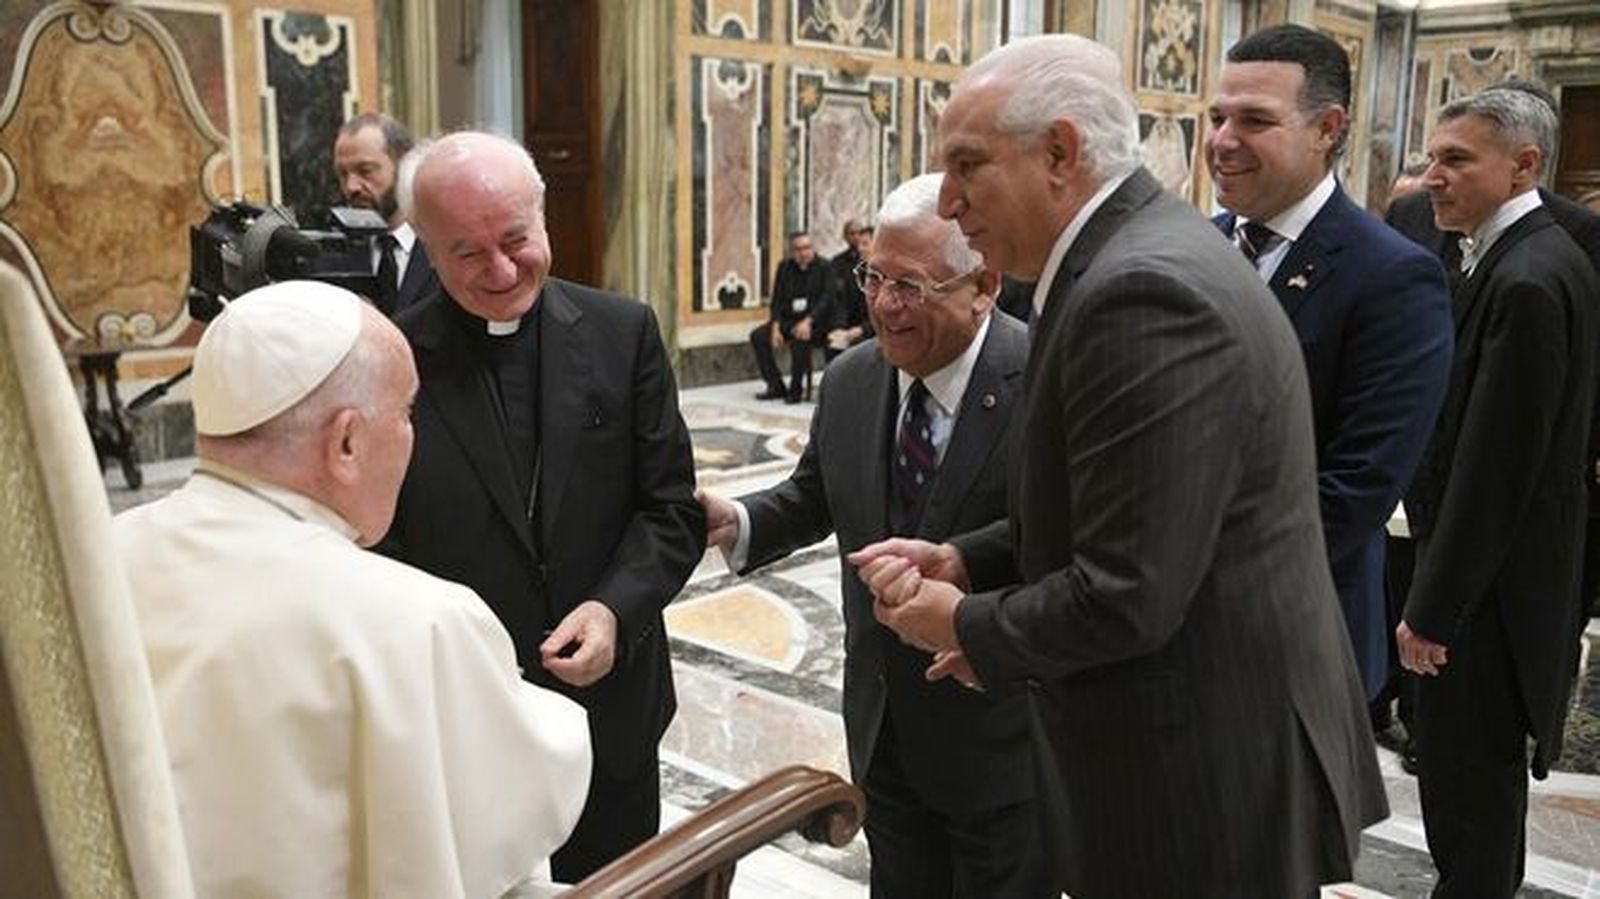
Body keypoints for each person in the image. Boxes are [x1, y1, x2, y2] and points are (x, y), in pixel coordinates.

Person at [851, 33, 1387, 896]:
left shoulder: (1143, 291)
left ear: (1059, 152)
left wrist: (962, 623)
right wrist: (971, 559)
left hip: (1201, 773)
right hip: (1194, 747)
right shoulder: (1127, 255)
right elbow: (1128, 503)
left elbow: (1128, 590)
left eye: (966, 165)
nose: (947, 202)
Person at [115, 281, 591, 898]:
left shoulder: (97, 559)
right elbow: (519, 797)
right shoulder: (417, 621)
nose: (413, 437)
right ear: (345, 442)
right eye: (407, 413)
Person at [700, 174, 1047, 898]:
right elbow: (819, 493)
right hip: (883, 725)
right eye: (874, 277)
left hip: (1002, 737)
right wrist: (741, 520)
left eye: (912, 285)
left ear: (982, 285)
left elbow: (1064, 536)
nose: (885, 304)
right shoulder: (854, 376)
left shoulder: (1047, 376)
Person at [378, 131, 705, 882]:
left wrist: (614, 610)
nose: (500, 269)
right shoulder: (392, 361)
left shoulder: (624, 333)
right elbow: (375, 545)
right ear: (425, 248)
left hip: (611, 717)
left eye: (515, 238)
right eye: (465, 251)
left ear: (543, 217)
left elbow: (671, 511)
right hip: (464, 726)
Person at [1205, 24, 1454, 708]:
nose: (1224, 140)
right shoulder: (1192, 249)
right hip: (1163, 644)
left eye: (1255, 120)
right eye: (1217, 117)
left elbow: (1356, 490)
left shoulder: (1393, 276)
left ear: (1328, 128)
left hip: (1292, 647)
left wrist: (1171, 567)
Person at [1399, 87, 1598, 897]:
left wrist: (1433, 609)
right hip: (1493, 589)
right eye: (1430, 158)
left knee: (1469, 800)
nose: (1432, 177)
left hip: (1485, 602)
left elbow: (1496, 467)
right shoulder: (1532, 255)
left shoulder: (1525, 277)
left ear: (1524, 165)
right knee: (1472, 800)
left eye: (1455, 160)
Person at [333, 112, 440, 314]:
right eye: (342, 174)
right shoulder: (337, 256)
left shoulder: (443, 244)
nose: (351, 186)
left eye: (365, 171)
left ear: (404, 164)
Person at [750, 231, 830, 402]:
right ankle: (775, 385)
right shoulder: (785, 267)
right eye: (798, 249)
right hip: (789, 320)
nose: (803, 253)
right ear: (792, 251)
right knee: (758, 336)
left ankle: (796, 389)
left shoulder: (825, 267)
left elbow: (826, 300)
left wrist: (808, 321)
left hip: (815, 322)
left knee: (800, 337)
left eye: (807, 248)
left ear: (813, 248)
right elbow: (777, 300)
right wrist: (775, 327)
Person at [823, 218, 875, 360]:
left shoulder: (886, 274)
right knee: (833, 345)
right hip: (856, 325)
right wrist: (842, 329)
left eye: (865, 244)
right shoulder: (860, 271)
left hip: (874, 332)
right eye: (852, 234)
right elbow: (840, 300)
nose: (860, 248)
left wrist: (860, 330)